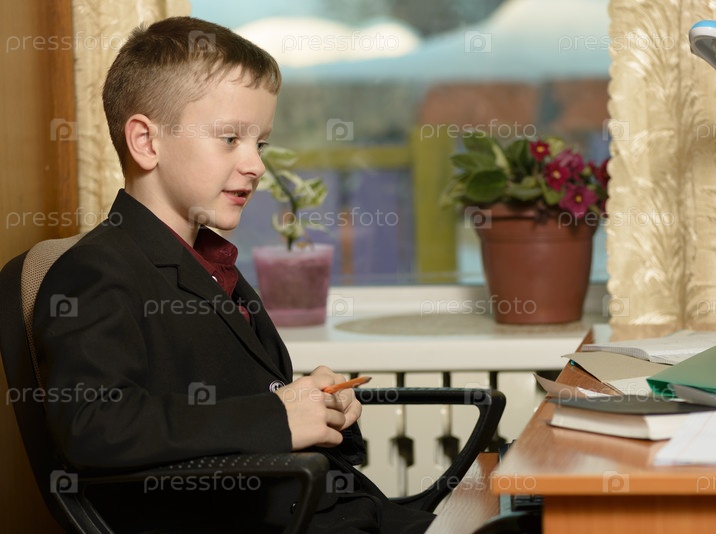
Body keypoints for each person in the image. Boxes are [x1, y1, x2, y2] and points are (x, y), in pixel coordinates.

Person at [33, 16, 434, 533]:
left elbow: (239, 409)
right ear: (146, 142)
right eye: (229, 139)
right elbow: (93, 425)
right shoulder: (95, 271)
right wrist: (277, 417)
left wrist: (317, 405)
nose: (256, 165)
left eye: (259, 144)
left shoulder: (210, 264)